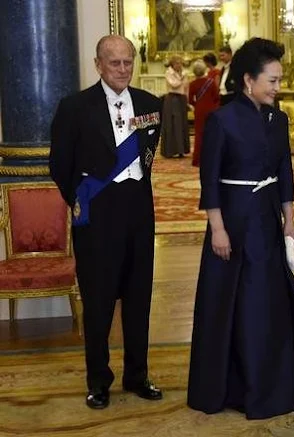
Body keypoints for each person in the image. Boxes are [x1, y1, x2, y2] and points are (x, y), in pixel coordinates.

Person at [187, 37, 294, 419]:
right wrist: (217, 229)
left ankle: (272, 384)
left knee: (268, 302)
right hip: (233, 221)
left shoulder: (279, 118)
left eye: (279, 79)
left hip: (267, 220)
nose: (278, 87)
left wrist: (289, 221)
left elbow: (285, 173)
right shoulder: (221, 120)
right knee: (234, 304)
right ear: (247, 81)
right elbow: (210, 180)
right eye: (271, 80)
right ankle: (233, 387)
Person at [49, 35, 163, 409]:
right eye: (114, 63)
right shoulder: (75, 107)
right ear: (98, 64)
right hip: (96, 214)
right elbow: (59, 164)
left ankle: (137, 374)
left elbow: (147, 158)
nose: (123, 69)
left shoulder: (150, 104)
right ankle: (98, 380)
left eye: (128, 62)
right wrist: (79, 200)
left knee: (138, 297)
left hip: (138, 212)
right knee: (97, 302)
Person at [188, 60, 220, 167]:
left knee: (199, 135)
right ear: (204, 70)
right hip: (211, 110)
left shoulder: (192, 84)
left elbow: (190, 100)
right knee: (212, 134)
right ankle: (211, 159)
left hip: (199, 111)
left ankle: (197, 160)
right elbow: (216, 97)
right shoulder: (211, 82)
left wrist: (197, 104)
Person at [161, 55, 190, 158]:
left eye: (180, 63)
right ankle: (170, 150)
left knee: (181, 123)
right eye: (177, 63)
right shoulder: (169, 72)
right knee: (173, 123)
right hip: (172, 99)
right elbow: (174, 84)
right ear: (172, 64)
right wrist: (182, 79)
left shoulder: (184, 72)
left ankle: (182, 150)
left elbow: (186, 87)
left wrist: (187, 100)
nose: (179, 65)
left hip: (181, 98)